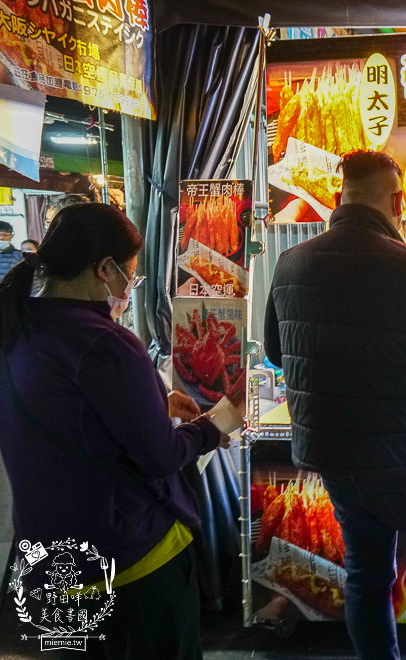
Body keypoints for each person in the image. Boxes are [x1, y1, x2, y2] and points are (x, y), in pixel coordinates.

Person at [264, 151, 406, 660]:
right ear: (398, 200)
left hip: (336, 458)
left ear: (341, 196)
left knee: (366, 572)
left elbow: (279, 353)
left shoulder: (291, 262)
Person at [0, 202, 242, 658]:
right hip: (128, 561)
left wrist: (153, 401)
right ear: (105, 268)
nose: (130, 286)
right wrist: (214, 426)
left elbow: (62, 412)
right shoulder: (104, 341)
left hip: (49, 564)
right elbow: (159, 456)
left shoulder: (19, 327)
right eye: (131, 273)